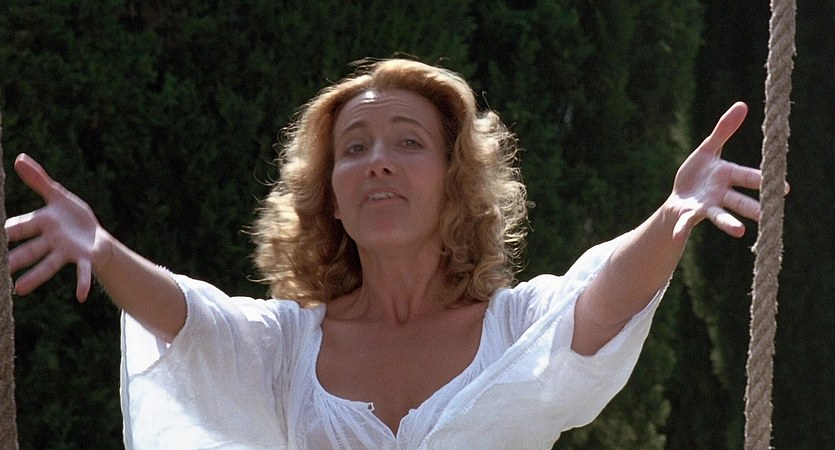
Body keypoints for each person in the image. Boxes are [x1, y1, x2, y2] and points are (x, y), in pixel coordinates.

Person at [5, 59, 768, 449]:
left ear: (453, 182)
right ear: (331, 197)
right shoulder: (287, 347)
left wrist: (671, 216)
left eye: (408, 142)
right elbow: (191, 321)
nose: (377, 162)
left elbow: (601, 296)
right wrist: (103, 250)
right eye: (353, 148)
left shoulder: (515, 329)